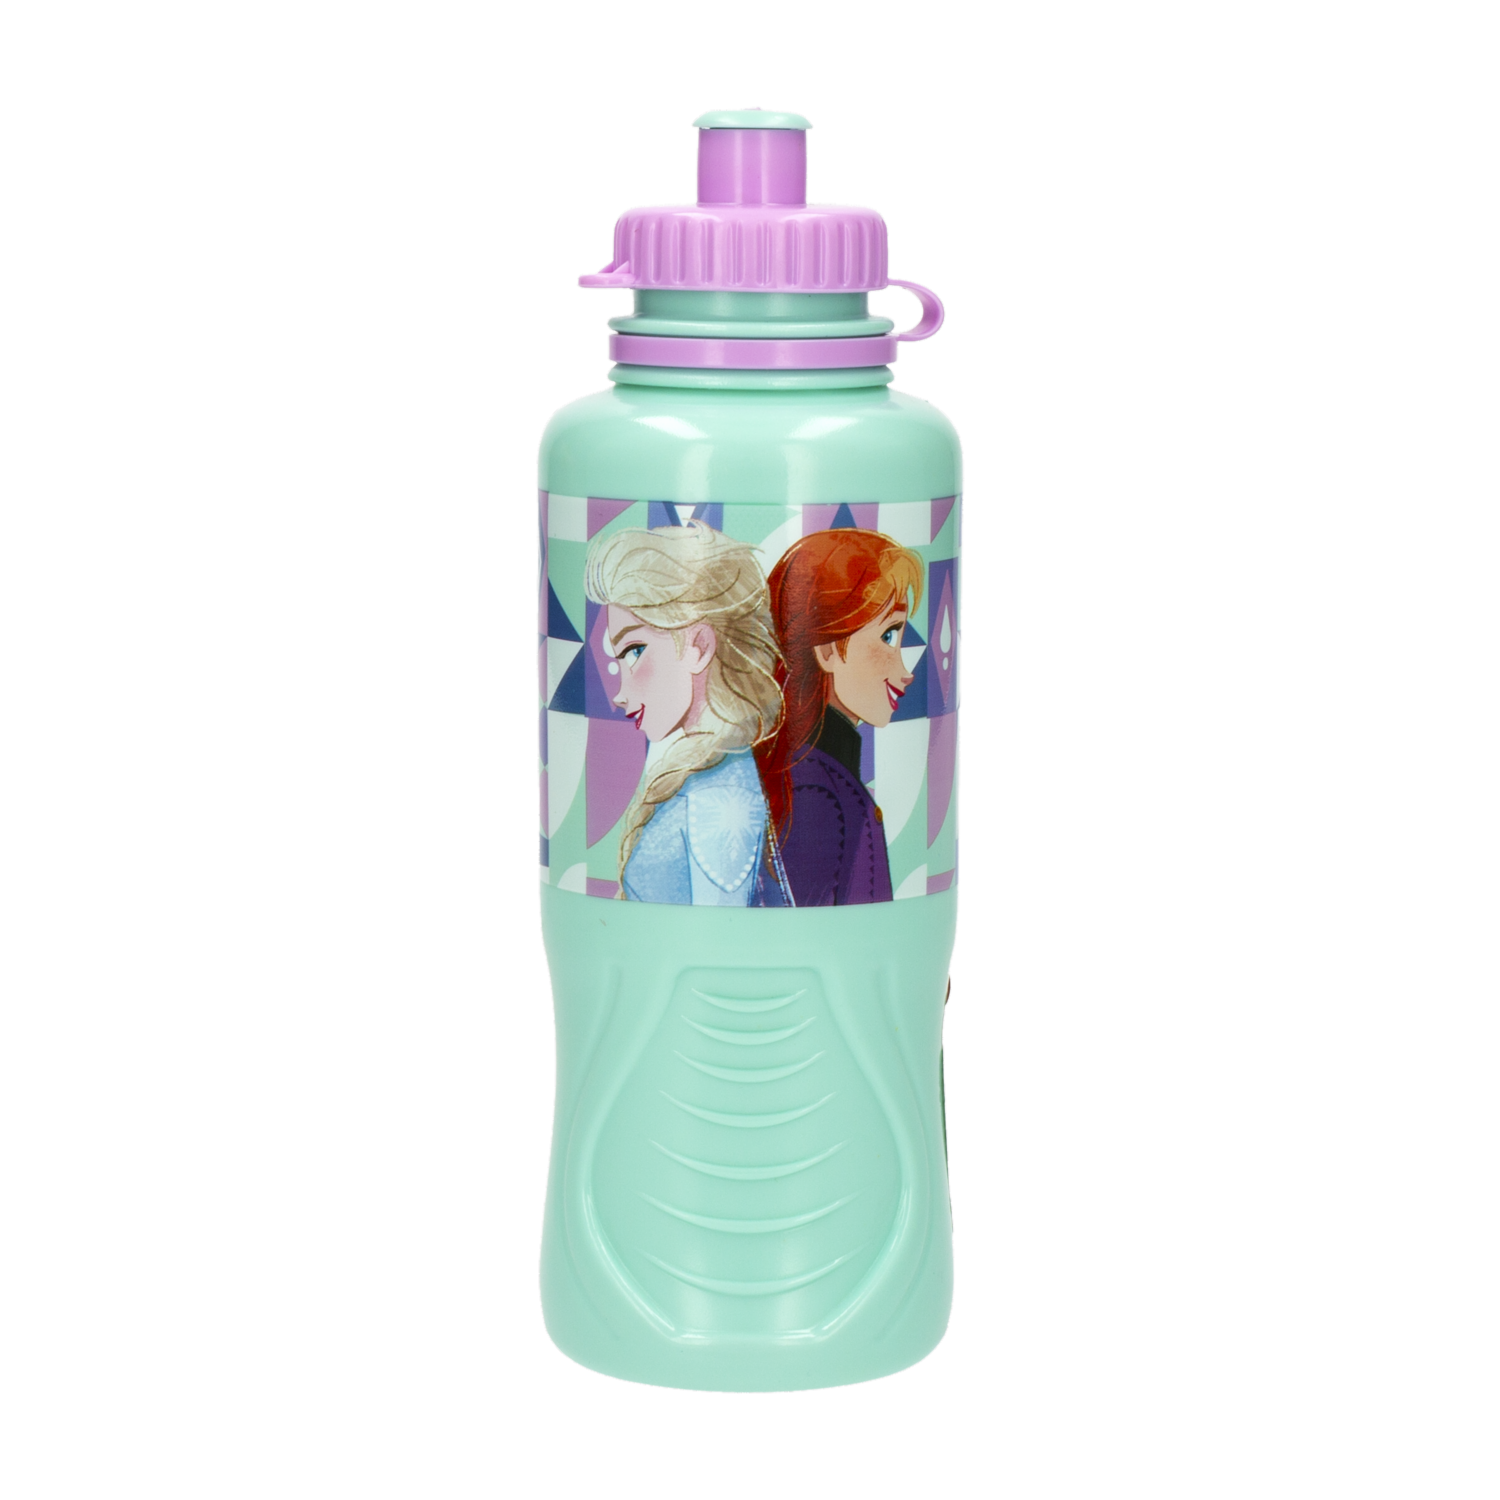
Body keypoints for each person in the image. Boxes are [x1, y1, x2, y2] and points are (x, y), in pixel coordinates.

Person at [584, 521, 784, 905]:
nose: (620, 694)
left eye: (635, 651)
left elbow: (722, 932)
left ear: (699, 646)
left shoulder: (720, 794)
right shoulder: (718, 774)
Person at [754, 529, 922, 906]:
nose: (905, 671)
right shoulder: (819, 794)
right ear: (827, 651)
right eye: (888, 636)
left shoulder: (810, 778)